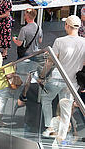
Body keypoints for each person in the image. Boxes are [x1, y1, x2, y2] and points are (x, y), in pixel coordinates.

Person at [38, 15, 85, 143]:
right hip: (72, 83)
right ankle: (62, 137)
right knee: (66, 110)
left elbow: (50, 62)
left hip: (57, 79)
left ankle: (50, 125)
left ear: (66, 26)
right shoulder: (84, 43)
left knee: (46, 99)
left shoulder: (59, 41)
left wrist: (42, 75)